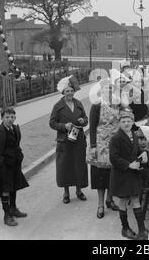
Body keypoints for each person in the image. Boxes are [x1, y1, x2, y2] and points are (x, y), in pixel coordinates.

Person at [109, 109, 148, 240]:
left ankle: (142, 229)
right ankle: (125, 228)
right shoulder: (116, 138)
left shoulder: (134, 135)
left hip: (133, 174)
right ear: (119, 123)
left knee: (136, 198)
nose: (126, 123)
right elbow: (113, 158)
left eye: (129, 121)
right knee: (124, 200)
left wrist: (143, 153)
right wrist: (128, 164)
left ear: (132, 122)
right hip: (122, 174)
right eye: (123, 121)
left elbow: (135, 150)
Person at [0, 107, 29, 227]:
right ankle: (7, 215)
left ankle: (13, 209)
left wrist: (20, 155)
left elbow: (16, 145)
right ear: (1, 118)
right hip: (3, 167)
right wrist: (1, 162)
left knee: (13, 187)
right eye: (7, 117)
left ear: (15, 118)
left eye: (12, 117)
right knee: (5, 190)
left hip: (15, 164)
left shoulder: (15, 129)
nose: (10, 119)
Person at [49, 75, 88, 204]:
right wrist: (63, 126)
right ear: (63, 92)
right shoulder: (57, 106)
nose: (70, 93)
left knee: (78, 165)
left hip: (78, 140)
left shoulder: (78, 103)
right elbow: (52, 123)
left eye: (71, 91)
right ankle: (66, 193)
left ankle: (79, 190)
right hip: (64, 141)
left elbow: (85, 119)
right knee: (65, 167)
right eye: (67, 91)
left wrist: (83, 121)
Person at [87, 81, 120, 219]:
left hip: (114, 144)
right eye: (107, 89)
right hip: (100, 145)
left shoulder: (118, 105)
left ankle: (109, 199)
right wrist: (93, 145)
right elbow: (92, 126)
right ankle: (100, 204)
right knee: (100, 175)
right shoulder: (96, 105)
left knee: (113, 173)